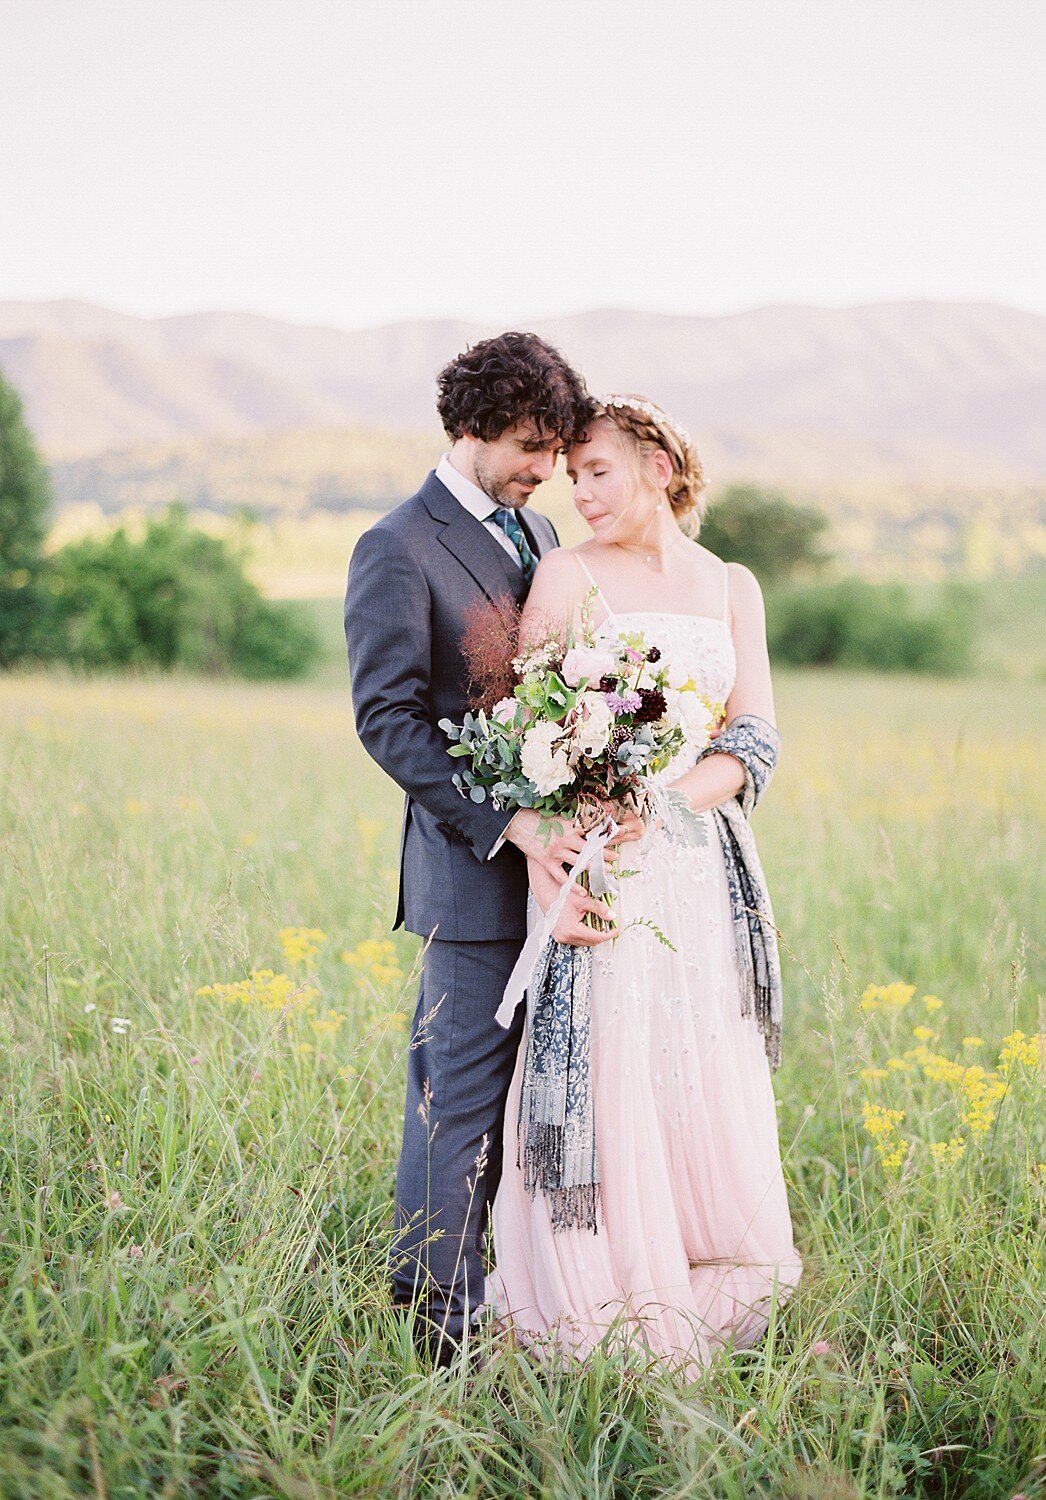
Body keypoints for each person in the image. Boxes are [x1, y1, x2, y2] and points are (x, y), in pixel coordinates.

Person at [486, 393, 803, 1376]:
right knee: (610, 1060)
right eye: (568, 475)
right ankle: (598, 1287)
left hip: (696, 863)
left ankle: (697, 1258)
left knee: (692, 1058)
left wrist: (672, 799)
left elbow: (751, 735)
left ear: (657, 467)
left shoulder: (728, 584)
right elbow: (516, 731)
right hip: (604, 861)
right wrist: (589, 809)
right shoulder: (565, 573)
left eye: (594, 471)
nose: (574, 492)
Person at [343, 332, 639, 1366]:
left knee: (535, 1102)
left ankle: (519, 1301)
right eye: (524, 445)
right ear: (466, 427)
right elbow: (385, 719)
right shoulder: (396, 545)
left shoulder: (536, 529)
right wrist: (510, 823)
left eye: (552, 451)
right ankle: (439, 1335)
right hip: (470, 873)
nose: (541, 470)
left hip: (564, 874)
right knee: (455, 1107)